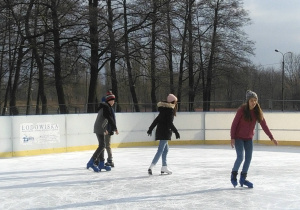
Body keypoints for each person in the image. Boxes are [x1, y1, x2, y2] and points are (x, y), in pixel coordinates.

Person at [230, 90, 278, 188]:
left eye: (255, 100)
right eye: (252, 100)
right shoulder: (242, 110)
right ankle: (233, 175)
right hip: (239, 138)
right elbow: (234, 124)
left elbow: (264, 125)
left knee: (248, 158)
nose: (254, 102)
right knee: (240, 157)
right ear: (248, 101)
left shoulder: (257, 112)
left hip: (248, 139)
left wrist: (271, 138)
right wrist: (232, 138)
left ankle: (243, 178)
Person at [147, 94, 180, 175]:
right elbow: (169, 123)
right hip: (165, 132)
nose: (176, 103)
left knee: (166, 149)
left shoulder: (163, 110)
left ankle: (164, 167)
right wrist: (176, 132)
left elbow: (156, 120)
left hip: (160, 131)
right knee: (160, 149)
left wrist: (150, 129)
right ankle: (151, 166)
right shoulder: (170, 111)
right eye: (175, 102)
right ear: (173, 102)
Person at [86, 91, 118, 172]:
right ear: (109, 101)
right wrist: (115, 128)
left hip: (100, 128)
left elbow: (103, 119)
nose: (114, 102)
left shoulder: (105, 107)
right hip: (99, 128)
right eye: (113, 100)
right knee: (102, 145)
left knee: (102, 145)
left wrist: (105, 129)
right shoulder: (106, 107)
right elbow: (110, 119)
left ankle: (101, 163)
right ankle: (91, 162)